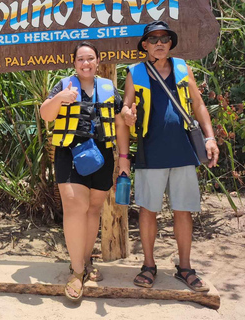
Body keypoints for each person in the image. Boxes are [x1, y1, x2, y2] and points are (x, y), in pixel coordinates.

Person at [121, 20, 219, 292]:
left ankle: (185, 267)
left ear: (171, 43)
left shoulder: (182, 68)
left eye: (165, 38)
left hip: (183, 151)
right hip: (150, 151)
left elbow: (198, 105)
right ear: (145, 45)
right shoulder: (135, 72)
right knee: (148, 210)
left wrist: (210, 138)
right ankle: (149, 266)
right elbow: (126, 108)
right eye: (154, 39)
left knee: (183, 210)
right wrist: (127, 115)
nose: (160, 43)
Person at [40, 41, 129, 301]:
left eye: (90, 58)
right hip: (70, 152)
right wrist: (59, 98)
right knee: (74, 205)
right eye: (80, 59)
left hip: (102, 155)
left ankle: (86, 260)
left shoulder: (109, 88)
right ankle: (76, 271)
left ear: (98, 61)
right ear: (74, 63)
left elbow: (122, 123)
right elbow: (46, 115)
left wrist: (123, 158)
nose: (85, 63)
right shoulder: (63, 85)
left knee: (93, 208)